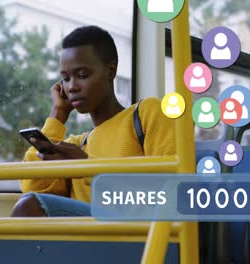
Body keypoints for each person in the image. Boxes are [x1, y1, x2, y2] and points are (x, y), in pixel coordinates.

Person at [11, 25, 176, 217]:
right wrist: (58, 114)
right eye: (65, 78)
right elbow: (33, 187)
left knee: (28, 207)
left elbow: (172, 190)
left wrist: (87, 166)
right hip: (87, 239)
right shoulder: (78, 144)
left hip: (137, 233)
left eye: (82, 75)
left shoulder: (147, 113)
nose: (71, 87)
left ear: (111, 71)